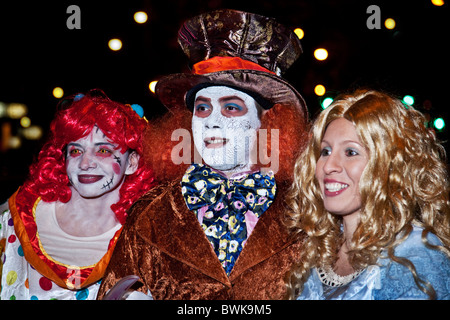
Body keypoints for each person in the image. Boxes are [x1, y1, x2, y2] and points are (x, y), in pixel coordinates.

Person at [97, 9, 309, 300]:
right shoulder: (149, 212)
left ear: (268, 123)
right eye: (202, 108)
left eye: (231, 107)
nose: (212, 120)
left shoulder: (307, 212)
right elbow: (113, 291)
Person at [285, 89, 450, 300]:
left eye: (351, 152)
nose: (328, 166)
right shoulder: (316, 250)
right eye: (325, 152)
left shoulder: (415, 257)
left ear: (390, 166)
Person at [0, 89, 156, 300]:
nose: (85, 164)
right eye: (75, 151)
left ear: (132, 162)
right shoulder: (14, 221)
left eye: (103, 151)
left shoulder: (148, 237)